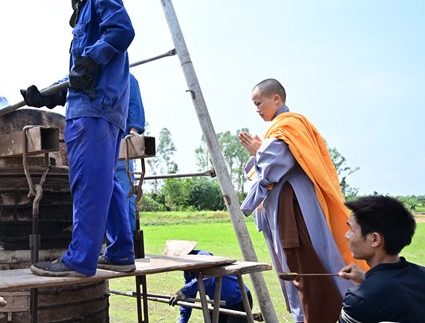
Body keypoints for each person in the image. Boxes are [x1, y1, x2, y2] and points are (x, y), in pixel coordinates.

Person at [22, 0, 135, 277]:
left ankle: (80, 259)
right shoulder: (90, 13)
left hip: (94, 112)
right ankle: (121, 252)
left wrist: (92, 58)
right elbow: (80, 76)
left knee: (87, 182)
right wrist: (47, 96)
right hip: (101, 108)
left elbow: (122, 30)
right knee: (105, 184)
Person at [238, 78, 367, 323]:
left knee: (303, 265)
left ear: (276, 98)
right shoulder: (285, 127)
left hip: (294, 207)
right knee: (301, 265)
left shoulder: (288, 125)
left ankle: (322, 315)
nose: (257, 110)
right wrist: (261, 152)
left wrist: (259, 152)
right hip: (293, 204)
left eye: (258, 103)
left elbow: (274, 166)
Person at [337, 195, 425, 323]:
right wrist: (367, 278)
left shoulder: (360, 298)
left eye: (351, 229)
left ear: (374, 239)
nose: (346, 235)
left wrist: (369, 285)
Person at [166, 240, 252, 323]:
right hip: (219, 303)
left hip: (239, 299)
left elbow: (207, 279)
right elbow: (188, 297)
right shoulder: (188, 271)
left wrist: (183, 291)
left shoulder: (204, 257)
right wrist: (183, 320)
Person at [115, 72, 145, 233]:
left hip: (119, 143)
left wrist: (134, 131)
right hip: (96, 142)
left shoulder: (126, 77)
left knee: (124, 192)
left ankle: (126, 238)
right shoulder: (92, 73)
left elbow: (135, 105)